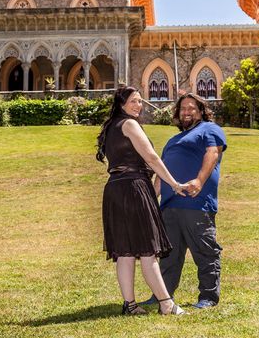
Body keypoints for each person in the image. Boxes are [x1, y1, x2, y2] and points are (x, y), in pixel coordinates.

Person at [96, 86, 187, 315]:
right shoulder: (129, 124)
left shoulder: (110, 127)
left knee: (125, 252)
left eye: (140, 101)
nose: (139, 105)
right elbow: (151, 157)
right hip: (134, 188)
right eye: (134, 101)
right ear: (121, 104)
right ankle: (166, 304)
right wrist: (174, 184)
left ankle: (130, 305)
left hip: (115, 190)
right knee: (148, 250)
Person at [143, 93, 227, 309]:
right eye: (183, 109)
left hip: (196, 203)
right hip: (170, 207)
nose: (186, 112)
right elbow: (163, 172)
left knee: (205, 251)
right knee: (169, 256)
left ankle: (208, 297)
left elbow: (212, 153)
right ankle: (162, 296)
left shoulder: (210, 129)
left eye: (191, 108)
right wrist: (153, 198)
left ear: (201, 111)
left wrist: (199, 181)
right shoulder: (172, 141)